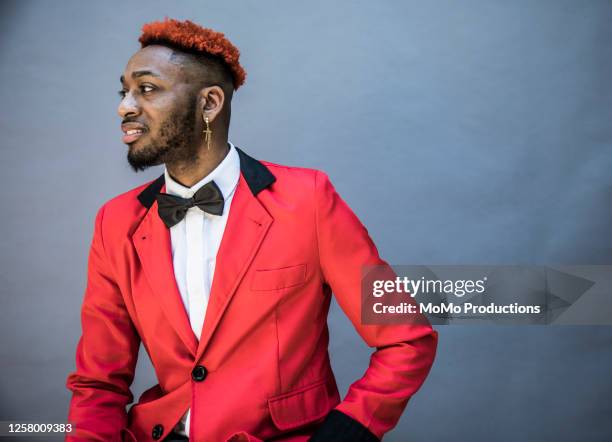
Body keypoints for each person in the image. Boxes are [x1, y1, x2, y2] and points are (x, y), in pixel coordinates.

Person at [65, 18, 438, 442]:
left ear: (209, 104)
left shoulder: (308, 200)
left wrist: (348, 431)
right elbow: (98, 383)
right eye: (124, 91)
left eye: (146, 89)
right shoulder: (116, 222)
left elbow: (407, 340)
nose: (124, 107)